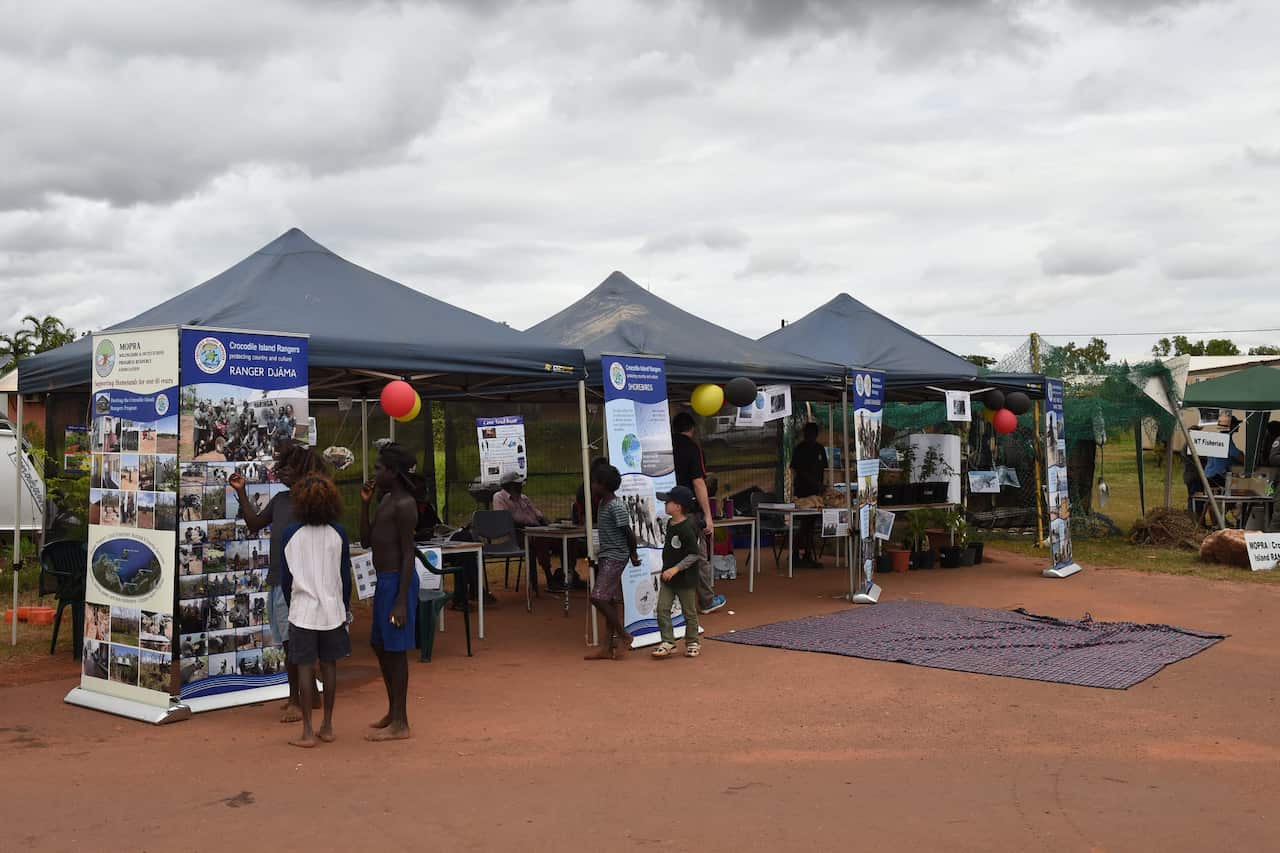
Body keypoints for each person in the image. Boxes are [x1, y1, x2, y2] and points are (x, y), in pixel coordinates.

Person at [229, 442, 326, 723]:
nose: (282, 472)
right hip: (277, 580)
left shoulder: (310, 504)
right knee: (287, 641)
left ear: (304, 472)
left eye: (289, 468)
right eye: (281, 467)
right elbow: (255, 524)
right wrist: (242, 493)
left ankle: (297, 700)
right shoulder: (282, 501)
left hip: (298, 583)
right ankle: (308, 695)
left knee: (292, 643)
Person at [278, 472, 352, 749]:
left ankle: (308, 731)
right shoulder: (339, 533)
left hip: (302, 611)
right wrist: (344, 606)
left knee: (305, 669)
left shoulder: (290, 533)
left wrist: (293, 602)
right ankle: (328, 725)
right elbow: (345, 576)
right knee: (330, 666)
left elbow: (286, 579)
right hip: (333, 610)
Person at [361, 442, 419, 741]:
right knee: (380, 646)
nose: (375, 472)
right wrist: (365, 504)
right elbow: (366, 540)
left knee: (396, 653)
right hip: (384, 581)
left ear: (393, 472)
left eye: (379, 468)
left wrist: (401, 601)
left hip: (398, 582)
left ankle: (402, 721)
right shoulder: (384, 501)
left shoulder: (405, 505)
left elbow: (408, 554)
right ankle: (393, 710)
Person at [671, 411, 724, 614]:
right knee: (698, 555)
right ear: (692, 429)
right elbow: (698, 482)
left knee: (671, 554)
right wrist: (708, 515)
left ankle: (670, 600)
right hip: (688, 511)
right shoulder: (692, 448)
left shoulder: (666, 446)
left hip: (667, 509)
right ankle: (707, 600)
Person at [585, 464, 640, 661]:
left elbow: (628, 533)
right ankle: (607, 646)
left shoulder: (616, 506)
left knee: (597, 597)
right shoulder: (602, 503)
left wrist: (633, 554)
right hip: (608, 554)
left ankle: (624, 635)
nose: (591, 485)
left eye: (594, 482)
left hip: (616, 556)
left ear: (603, 485)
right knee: (608, 599)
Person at [650, 485, 702, 659]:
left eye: (669, 501)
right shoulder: (670, 523)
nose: (665, 504)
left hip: (685, 578)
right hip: (668, 578)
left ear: (678, 507)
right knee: (662, 608)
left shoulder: (687, 528)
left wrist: (676, 568)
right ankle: (668, 641)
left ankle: (693, 641)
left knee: (689, 611)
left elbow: (694, 554)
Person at [492, 471, 564, 591]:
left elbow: (538, 514)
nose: (521, 486)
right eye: (517, 484)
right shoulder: (499, 497)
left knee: (563, 539)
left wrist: (549, 525)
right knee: (541, 539)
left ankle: (565, 575)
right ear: (509, 486)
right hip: (518, 534)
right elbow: (504, 521)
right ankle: (549, 578)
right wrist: (531, 527)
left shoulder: (524, 498)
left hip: (535, 529)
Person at [790, 422, 827, 568]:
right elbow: (799, 471)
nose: (810, 436)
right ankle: (795, 554)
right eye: (807, 433)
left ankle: (807, 555)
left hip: (816, 494)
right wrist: (815, 484)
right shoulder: (800, 449)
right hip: (802, 493)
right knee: (804, 524)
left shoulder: (820, 449)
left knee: (810, 525)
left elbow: (823, 469)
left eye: (812, 433)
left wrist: (822, 487)